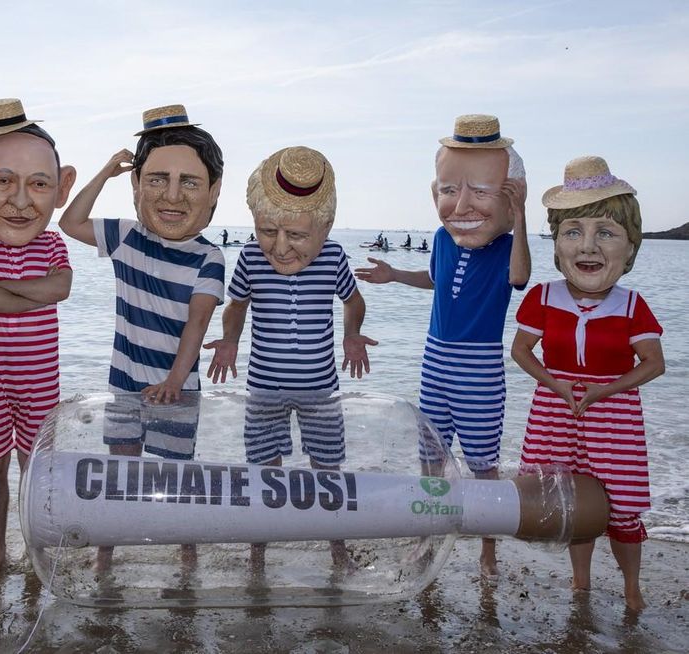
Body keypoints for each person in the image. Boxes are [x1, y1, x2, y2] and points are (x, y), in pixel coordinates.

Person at [355, 114, 529, 576]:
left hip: (479, 367)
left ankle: (488, 551)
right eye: (450, 190)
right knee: (431, 459)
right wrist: (394, 275)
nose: (462, 204)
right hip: (435, 360)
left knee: (483, 465)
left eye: (482, 191)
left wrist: (523, 217)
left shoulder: (506, 246)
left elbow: (520, 277)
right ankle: (426, 539)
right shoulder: (440, 237)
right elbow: (435, 279)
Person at [58, 103, 225, 571]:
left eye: (188, 181)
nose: (171, 195)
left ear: (213, 192)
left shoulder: (208, 256)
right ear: (137, 187)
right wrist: (106, 173)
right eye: (157, 179)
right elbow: (69, 224)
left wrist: (175, 380)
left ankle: (186, 558)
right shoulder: (127, 237)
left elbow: (197, 324)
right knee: (120, 472)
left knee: (177, 479)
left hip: (178, 391)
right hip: (125, 384)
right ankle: (105, 557)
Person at [204, 146, 377, 571]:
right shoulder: (249, 258)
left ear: (324, 228)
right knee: (263, 471)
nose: (279, 249)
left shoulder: (334, 257)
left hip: (320, 389)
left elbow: (353, 301)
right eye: (267, 232)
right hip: (264, 388)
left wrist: (351, 335)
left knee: (328, 470)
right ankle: (257, 556)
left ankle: (338, 552)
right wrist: (229, 342)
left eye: (296, 237)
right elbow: (237, 305)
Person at [511, 156, 663, 611]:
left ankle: (632, 588)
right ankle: (581, 583)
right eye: (573, 231)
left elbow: (653, 364)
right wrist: (556, 385)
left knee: (620, 509)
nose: (588, 246)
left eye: (606, 233)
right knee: (576, 504)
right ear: (557, 245)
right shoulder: (543, 296)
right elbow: (521, 351)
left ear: (630, 248)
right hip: (554, 411)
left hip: (613, 417)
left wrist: (603, 391)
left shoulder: (632, 304)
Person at [0, 98, 77, 572]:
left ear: (60, 187)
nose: (21, 201)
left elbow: (61, 287)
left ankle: (34, 547)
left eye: (38, 184)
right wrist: (31, 293)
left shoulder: (53, 242)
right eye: (3, 181)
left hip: (40, 377)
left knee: (36, 467)